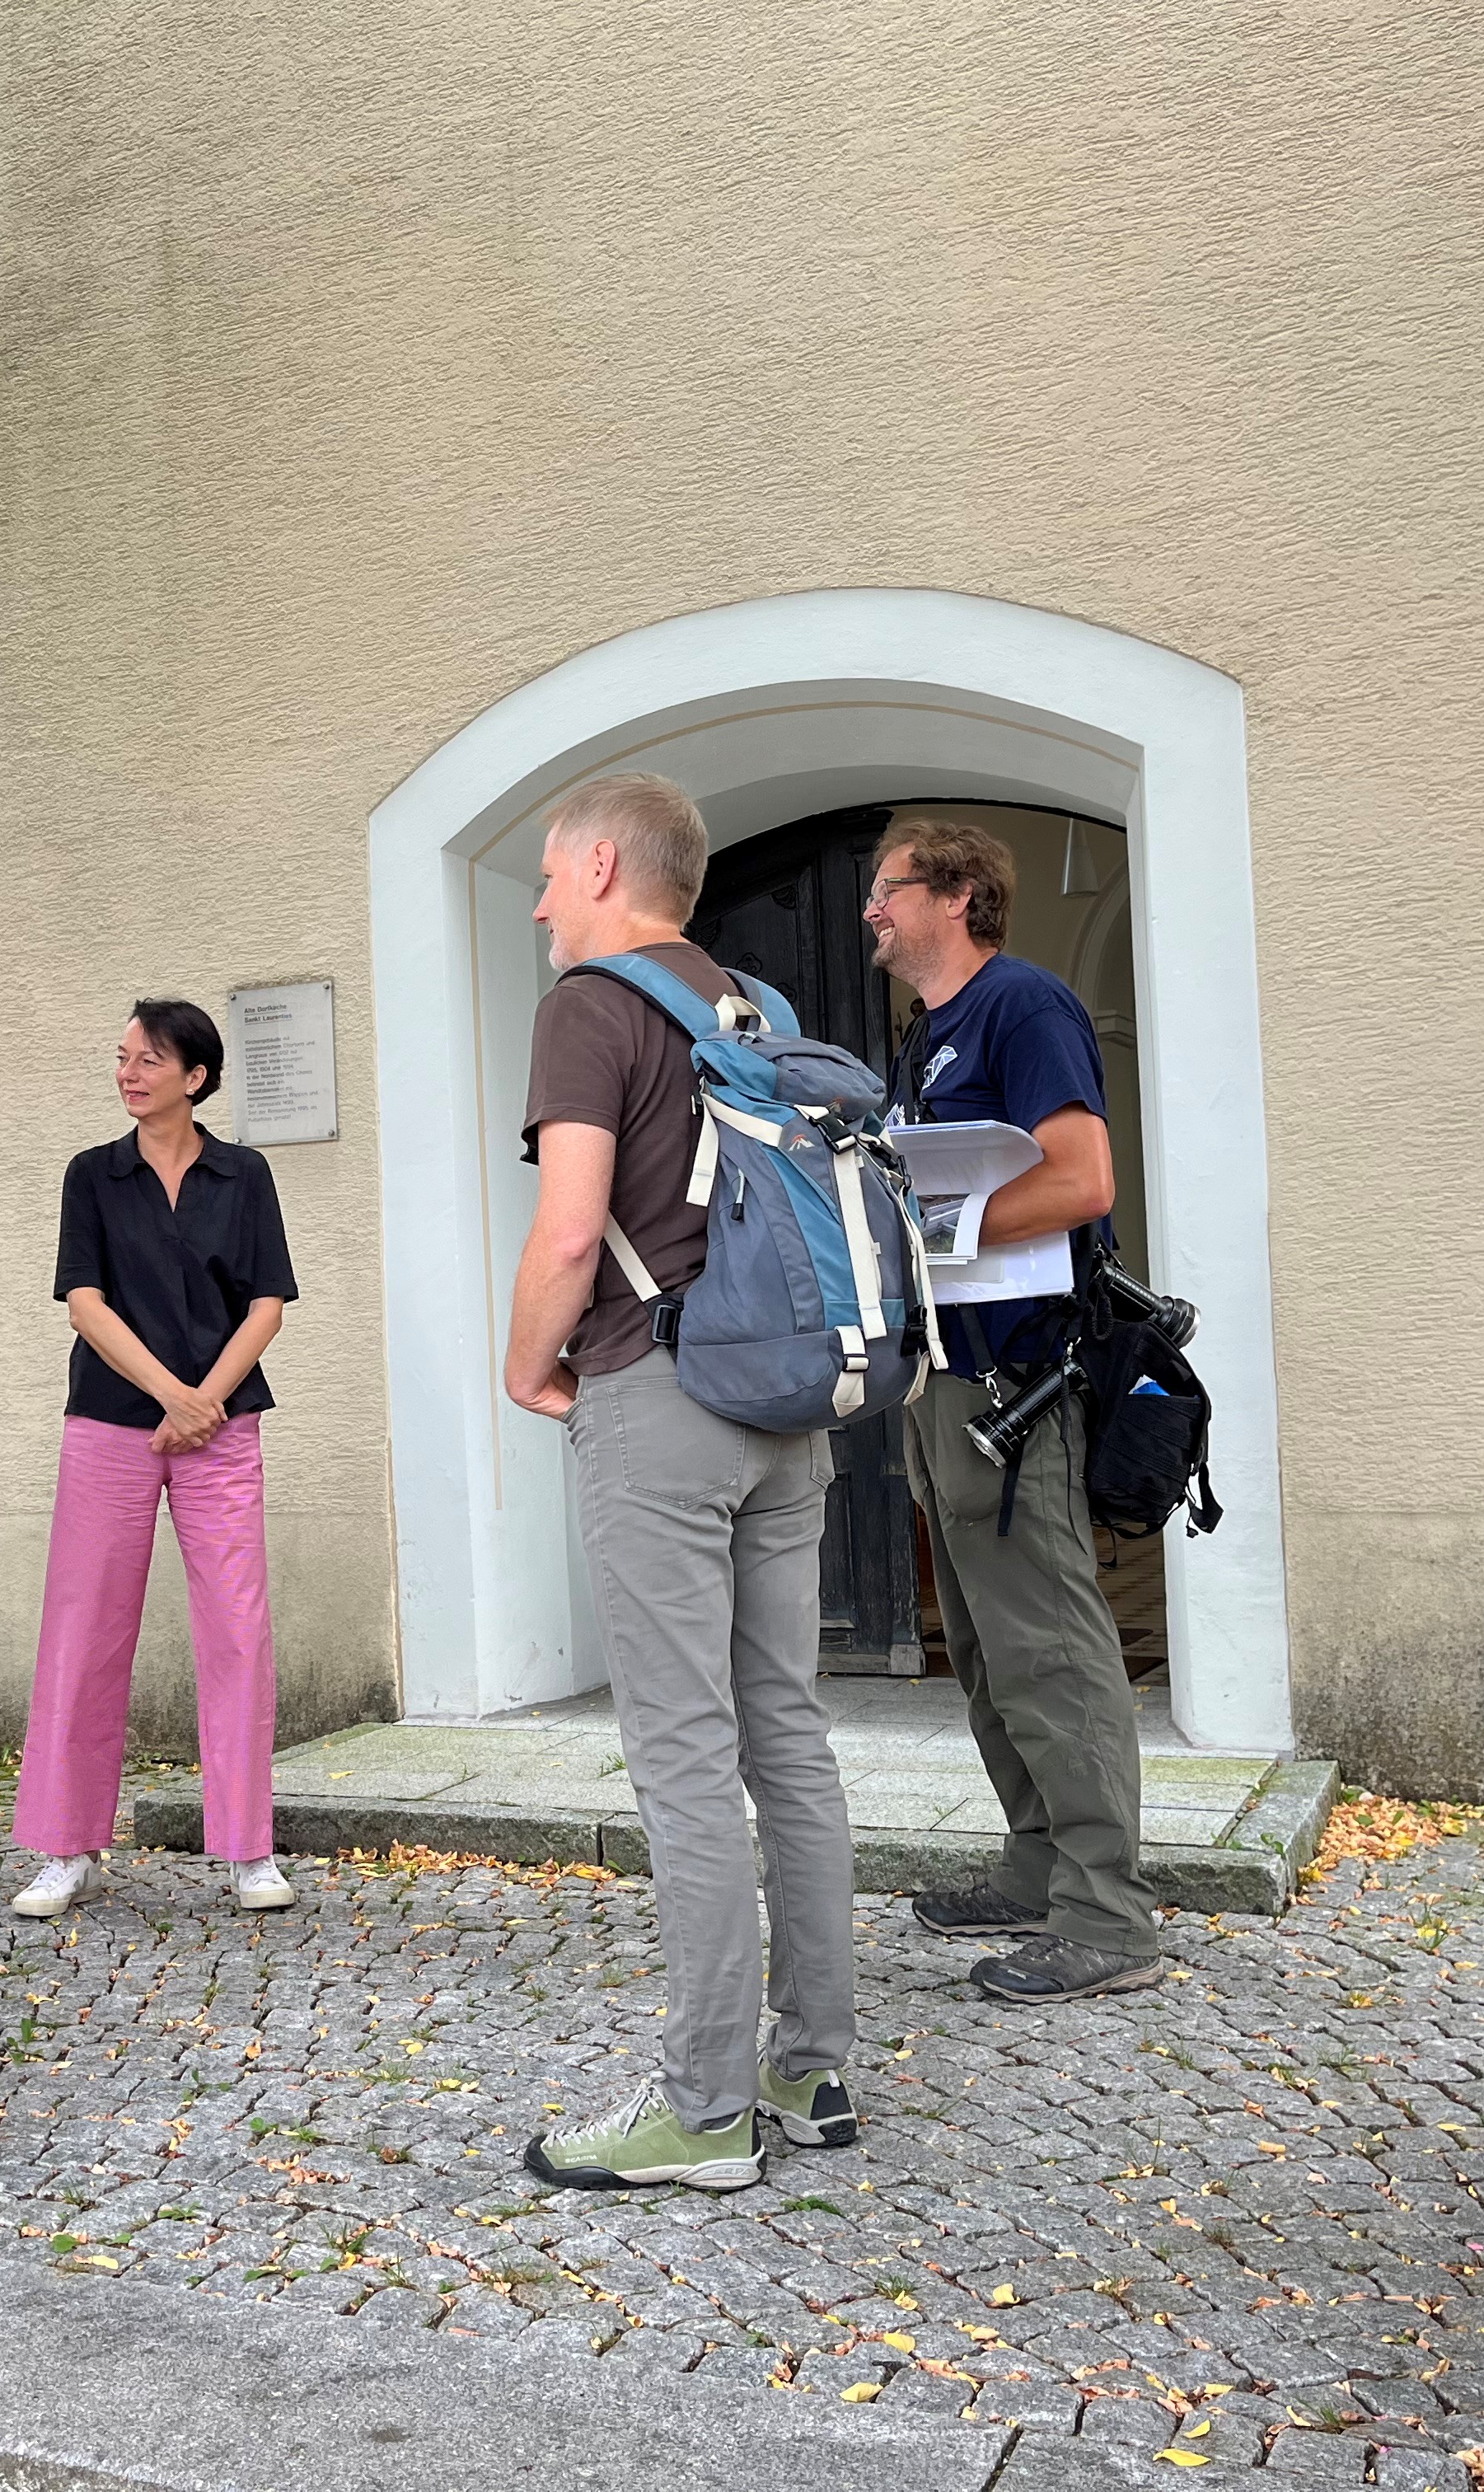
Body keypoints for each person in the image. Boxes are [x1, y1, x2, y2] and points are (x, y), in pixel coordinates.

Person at [500, 771, 864, 2193]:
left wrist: (528, 1365)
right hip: (784, 1405)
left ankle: (704, 2108)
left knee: (685, 1757)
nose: (535, 899)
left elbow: (568, 1226)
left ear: (600, 864)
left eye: (545, 872)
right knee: (786, 1730)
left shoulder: (588, 1007)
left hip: (657, 1395)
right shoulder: (755, 1011)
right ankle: (808, 2062)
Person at [868, 816, 1163, 2001]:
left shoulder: (1024, 1006)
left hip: (1019, 1381)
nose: (873, 911)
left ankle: (1108, 1918)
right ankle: (1037, 1866)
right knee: (988, 1647)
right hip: (946, 1375)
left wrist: (946, 1226)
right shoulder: (926, 1037)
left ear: (952, 895)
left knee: (1050, 1642)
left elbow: (1084, 1179)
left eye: (888, 891)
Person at [8, 1000, 300, 1919]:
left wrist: (205, 1398)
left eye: (149, 1059)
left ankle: (250, 1850)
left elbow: (267, 1304)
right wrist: (175, 1398)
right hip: (111, 1423)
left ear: (196, 1077)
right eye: (123, 1057)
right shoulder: (93, 1176)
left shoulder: (243, 1175)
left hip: (222, 1423)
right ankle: (67, 1848)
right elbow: (85, 1304)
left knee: (239, 1633)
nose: (130, 1072)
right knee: (84, 1627)